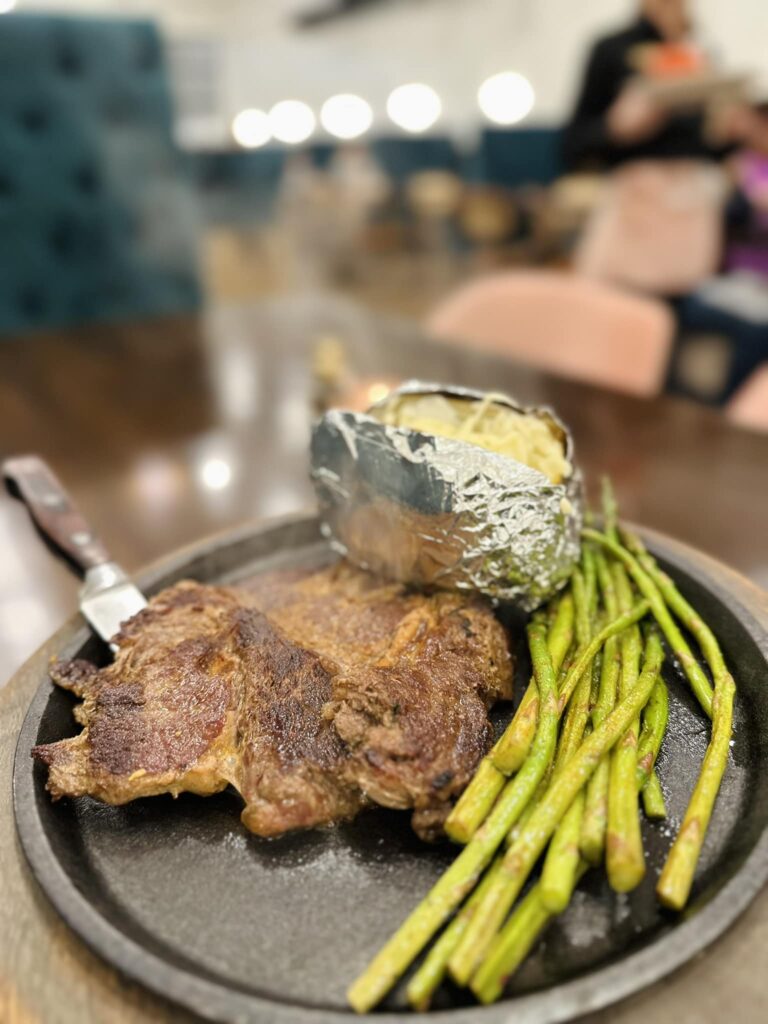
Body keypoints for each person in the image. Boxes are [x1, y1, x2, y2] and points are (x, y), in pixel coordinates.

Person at [562, 0, 730, 170]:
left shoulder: (701, 55)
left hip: (695, 172)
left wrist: (728, 131)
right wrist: (612, 129)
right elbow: (572, 145)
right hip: (632, 172)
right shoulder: (612, 50)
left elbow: (716, 145)